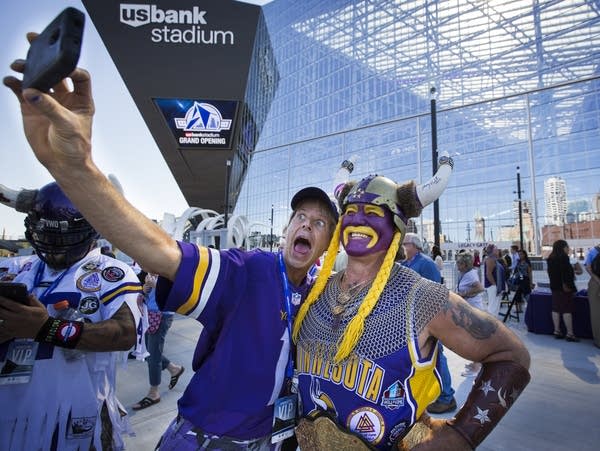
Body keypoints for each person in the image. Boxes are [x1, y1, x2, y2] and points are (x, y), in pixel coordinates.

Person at [292, 162, 531, 450]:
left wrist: (462, 435)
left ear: (395, 226)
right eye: (351, 212)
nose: (357, 221)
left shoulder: (421, 297)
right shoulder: (315, 289)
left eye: (371, 213)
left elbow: (512, 355)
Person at [0, 181, 145, 451]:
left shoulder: (111, 272)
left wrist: (46, 328)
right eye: (48, 236)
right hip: (8, 415)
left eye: (64, 238)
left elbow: (125, 334)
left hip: (75, 416)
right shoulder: (14, 267)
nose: (55, 247)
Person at [402, 233, 457, 415]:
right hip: (411, 320)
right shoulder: (406, 264)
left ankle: (447, 397)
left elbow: (436, 292)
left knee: (437, 355)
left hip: (426, 319)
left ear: (415, 246)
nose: (403, 246)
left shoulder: (426, 263)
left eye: (406, 244)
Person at [132, 271, 184, 411]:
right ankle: (174, 369)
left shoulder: (169, 268)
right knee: (149, 351)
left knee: (153, 356)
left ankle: (154, 393)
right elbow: (146, 292)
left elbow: (180, 292)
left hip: (162, 315)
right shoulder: (151, 271)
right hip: (149, 314)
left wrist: (156, 285)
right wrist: (145, 289)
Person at [455, 251, 485, 377]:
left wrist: (464, 294)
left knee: (474, 339)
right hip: (470, 309)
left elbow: (480, 288)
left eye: (459, 263)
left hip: (474, 310)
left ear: (465, 264)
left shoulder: (471, 275)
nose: (457, 266)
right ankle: (475, 363)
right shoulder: (466, 274)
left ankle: (476, 367)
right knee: (472, 338)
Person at [546, 239, 579, 342]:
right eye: (567, 247)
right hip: (564, 289)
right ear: (563, 247)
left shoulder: (550, 259)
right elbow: (566, 274)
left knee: (555, 309)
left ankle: (556, 331)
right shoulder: (564, 258)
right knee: (566, 310)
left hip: (554, 287)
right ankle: (570, 334)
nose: (568, 248)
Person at [584, 244, 600, 348]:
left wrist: (597, 280)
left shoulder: (593, 251)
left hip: (595, 283)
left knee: (596, 314)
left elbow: (588, 267)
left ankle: (598, 341)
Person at [483, 244, 504, 316]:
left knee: (495, 307)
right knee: (493, 307)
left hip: (495, 286)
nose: (498, 250)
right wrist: (495, 285)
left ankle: (493, 323)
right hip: (493, 286)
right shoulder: (490, 259)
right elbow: (488, 274)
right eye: (496, 249)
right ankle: (491, 324)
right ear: (492, 251)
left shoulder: (493, 259)